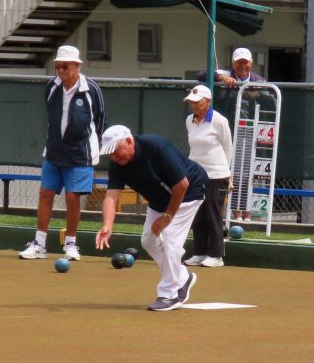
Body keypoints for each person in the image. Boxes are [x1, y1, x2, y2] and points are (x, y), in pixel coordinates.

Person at [95, 125, 207, 312]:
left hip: (188, 192)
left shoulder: (155, 146)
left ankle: (170, 294)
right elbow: (111, 196)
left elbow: (181, 184)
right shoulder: (117, 164)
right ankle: (182, 276)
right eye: (109, 154)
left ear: (129, 141)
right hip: (159, 200)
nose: (113, 157)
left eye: (115, 151)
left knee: (169, 239)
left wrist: (167, 217)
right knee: (149, 240)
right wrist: (107, 225)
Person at [19, 45, 106, 262]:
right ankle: (39, 244)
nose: (60, 70)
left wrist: (91, 146)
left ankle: (71, 244)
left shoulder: (91, 89)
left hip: (80, 153)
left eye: (65, 66)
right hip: (54, 151)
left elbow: (100, 121)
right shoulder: (52, 87)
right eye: (57, 66)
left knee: (72, 197)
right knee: (45, 194)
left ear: (77, 66)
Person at [196, 47, 268, 221]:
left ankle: (248, 211)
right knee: (230, 169)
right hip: (227, 132)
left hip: (250, 132)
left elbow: (268, 96)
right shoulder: (225, 74)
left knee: (248, 171)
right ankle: (235, 211)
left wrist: (254, 93)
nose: (243, 66)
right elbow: (201, 74)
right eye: (239, 62)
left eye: (246, 62)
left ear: (251, 64)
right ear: (233, 64)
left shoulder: (258, 80)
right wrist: (221, 78)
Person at [183, 84, 233, 268]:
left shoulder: (219, 120)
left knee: (213, 214)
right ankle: (200, 253)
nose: (193, 105)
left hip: (217, 175)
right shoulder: (189, 120)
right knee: (198, 215)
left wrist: (227, 174)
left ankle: (216, 256)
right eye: (191, 102)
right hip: (196, 175)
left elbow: (228, 147)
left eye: (197, 102)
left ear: (208, 101)